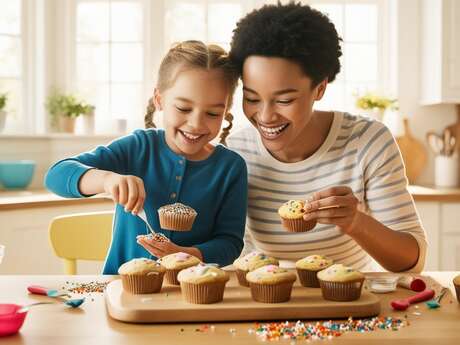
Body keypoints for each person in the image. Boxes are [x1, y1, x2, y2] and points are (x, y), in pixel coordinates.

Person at [227, 2, 426, 272]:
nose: (265, 116)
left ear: (319, 88)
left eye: (284, 100)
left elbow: (411, 260)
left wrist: (355, 221)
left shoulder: (367, 142)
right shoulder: (235, 151)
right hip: (262, 301)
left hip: (349, 304)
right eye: (251, 98)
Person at [45, 41, 247, 274]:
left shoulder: (230, 168)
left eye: (212, 113)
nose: (196, 124)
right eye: (183, 108)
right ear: (159, 100)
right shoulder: (138, 148)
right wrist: (106, 180)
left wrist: (185, 254)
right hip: (121, 289)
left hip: (193, 292)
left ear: (226, 111)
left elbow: (229, 243)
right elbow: (56, 176)